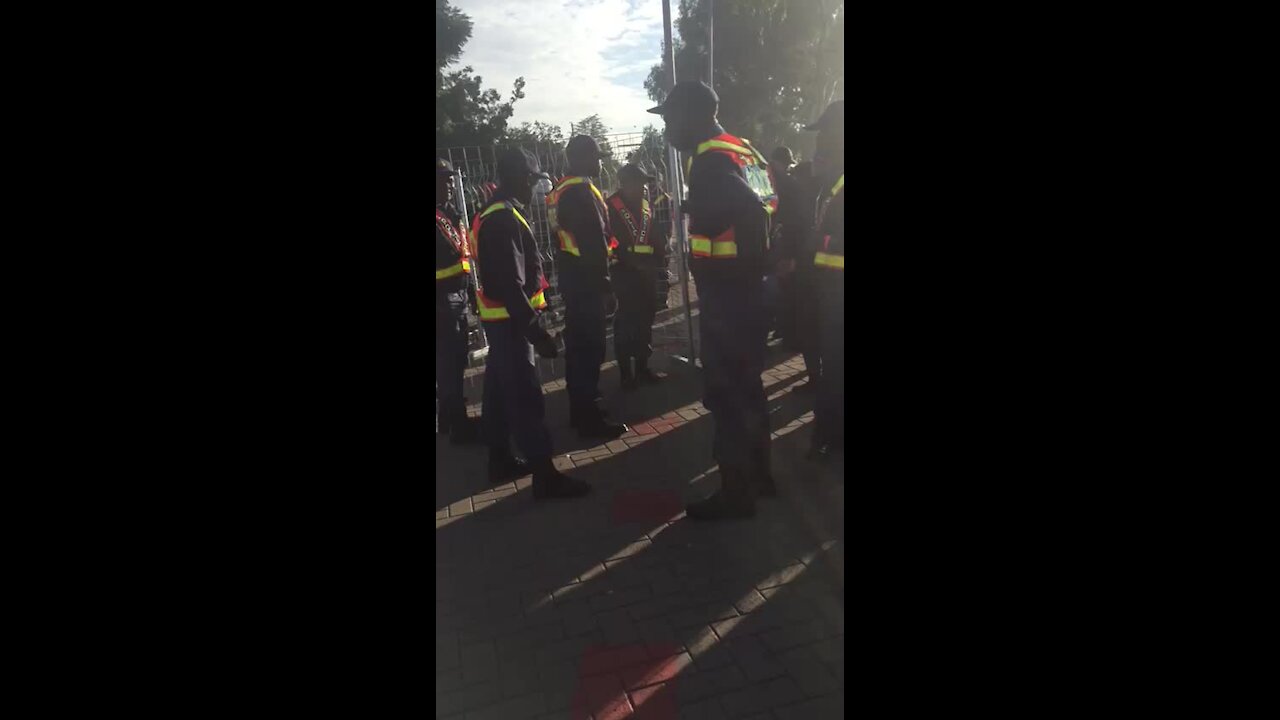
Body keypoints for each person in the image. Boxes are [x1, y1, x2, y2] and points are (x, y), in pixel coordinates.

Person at [648, 80, 778, 520]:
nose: (666, 127)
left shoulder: (709, 160)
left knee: (725, 394)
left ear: (693, 115)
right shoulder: (743, 150)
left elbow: (753, 213)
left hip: (730, 297)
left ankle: (736, 492)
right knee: (749, 386)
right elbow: (771, 205)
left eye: (669, 118)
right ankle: (760, 474)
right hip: (749, 292)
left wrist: (738, 273)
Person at [473, 148, 591, 498]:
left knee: (496, 393)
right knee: (526, 397)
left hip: (500, 322)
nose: (535, 190)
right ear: (521, 180)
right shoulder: (504, 220)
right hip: (512, 324)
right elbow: (511, 284)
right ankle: (545, 476)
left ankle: (499, 458)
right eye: (534, 182)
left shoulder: (494, 214)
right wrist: (536, 333)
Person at [547, 136, 627, 439]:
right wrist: (606, 285)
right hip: (587, 281)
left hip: (572, 276)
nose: (600, 162)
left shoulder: (561, 189)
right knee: (590, 349)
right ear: (580, 159)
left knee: (579, 349)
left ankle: (581, 410)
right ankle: (588, 417)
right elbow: (592, 241)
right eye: (595, 157)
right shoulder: (579, 191)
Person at [804, 101, 845, 462]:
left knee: (834, 367)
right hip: (831, 295)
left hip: (838, 297)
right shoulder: (831, 184)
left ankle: (830, 433)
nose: (818, 146)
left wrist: (817, 245)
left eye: (823, 136)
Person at [607, 164, 672, 390]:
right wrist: (629, 261)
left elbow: (653, 234)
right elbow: (610, 242)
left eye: (644, 183)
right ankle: (626, 374)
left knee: (645, 319)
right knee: (626, 322)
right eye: (639, 183)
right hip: (624, 272)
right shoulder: (611, 207)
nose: (643, 187)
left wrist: (660, 258)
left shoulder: (645, 205)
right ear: (625, 183)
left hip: (647, 272)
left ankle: (643, 368)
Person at [435, 158, 481, 444]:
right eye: (443, 180)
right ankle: (457, 424)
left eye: (451, 179)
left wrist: (472, 292)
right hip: (441, 300)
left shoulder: (451, 213)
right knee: (448, 363)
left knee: (456, 360)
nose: (450, 184)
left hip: (459, 294)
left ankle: (450, 419)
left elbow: (462, 258)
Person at [787, 160, 822, 394]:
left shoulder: (805, 201)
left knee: (810, 330)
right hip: (820, 276)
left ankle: (816, 380)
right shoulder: (822, 197)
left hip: (809, 275)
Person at [769, 146, 799, 348]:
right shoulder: (789, 183)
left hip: (781, 241)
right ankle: (786, 331)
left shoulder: (778, 183)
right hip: (784, 241)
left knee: (784, 290)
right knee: (785, 289)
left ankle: (787, 333)